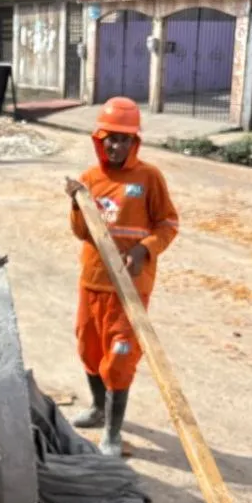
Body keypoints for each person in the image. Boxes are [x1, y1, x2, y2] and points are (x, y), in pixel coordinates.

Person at [65, 96, 179, 458]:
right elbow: (82, 233)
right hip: (93, 281)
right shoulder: (89, 179)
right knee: (88, 346)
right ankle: (100, 409)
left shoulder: (149, 178)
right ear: (99, 139)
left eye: (123, 139)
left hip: (130, 288)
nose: (115, 145)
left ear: (135, 142)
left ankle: (112, 434)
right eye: (109, 138)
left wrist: (145, 248)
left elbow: (168, 223)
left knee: (119, 357)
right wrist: (75, 204)